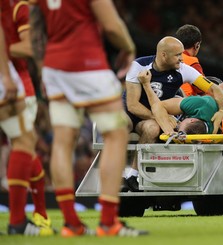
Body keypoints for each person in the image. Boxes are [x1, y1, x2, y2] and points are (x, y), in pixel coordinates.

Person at [29, 0, 147, 237]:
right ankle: (108, 222)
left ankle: (71, 224)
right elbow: (112, 25)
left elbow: (35, 26)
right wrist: (128, 48)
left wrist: (43, 66)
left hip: (54, 67)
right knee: (117, 134)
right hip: (88, 64)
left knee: (63, 141)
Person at [122, 36, 223, 192]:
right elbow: (132, 105)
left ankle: (133, 175)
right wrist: (162, 117)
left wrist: (222, 110)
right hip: (132, 113)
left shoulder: (183, 69)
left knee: (152, 129)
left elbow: (214, 89)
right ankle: (114, 172)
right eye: (177, 54)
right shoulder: (138, 66)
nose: (181, 58)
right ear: (164, 55)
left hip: (154, 115)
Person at [1, 0, 53, 229]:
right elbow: (29, 47)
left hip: (19, 83)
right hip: (14, 84)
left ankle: (37, 213)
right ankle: (22, 220)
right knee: (25, 144)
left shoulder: (17, 7)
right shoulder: (16, 6)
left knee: (24, 144)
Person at [137, 70, 223, 135]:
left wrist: (169, 131)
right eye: (179, 127)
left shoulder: (200, 105)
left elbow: (158, 106)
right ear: (192, 119)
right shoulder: (200, 108)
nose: (178, 126)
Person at [175, 24, 223, 97]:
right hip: (182, 102)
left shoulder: (168, 56)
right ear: (197, 45)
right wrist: (220, 91)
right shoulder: (192, 62)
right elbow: (202, 92)